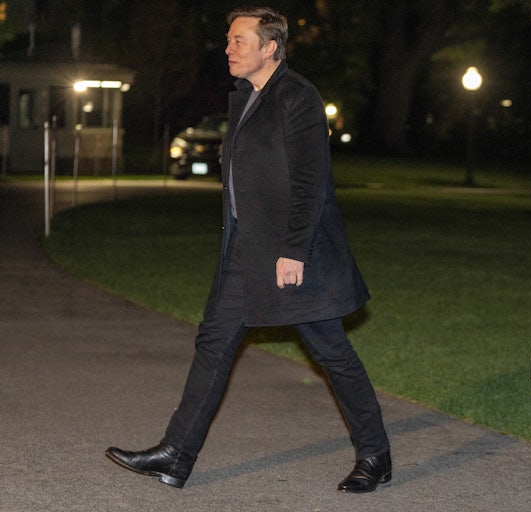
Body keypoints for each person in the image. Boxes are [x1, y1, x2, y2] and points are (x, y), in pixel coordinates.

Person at [105, 5, 391, 493]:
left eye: (239, 41)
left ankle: (375, 455)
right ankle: (175, 455)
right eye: (228, 40)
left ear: (270, 47)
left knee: (330, 351)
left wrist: (294, 250)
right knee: (214, 343)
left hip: (293, 253)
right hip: (245, 248)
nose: (228, 49)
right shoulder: (245, 97)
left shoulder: (298, 97)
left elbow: (311, 183)